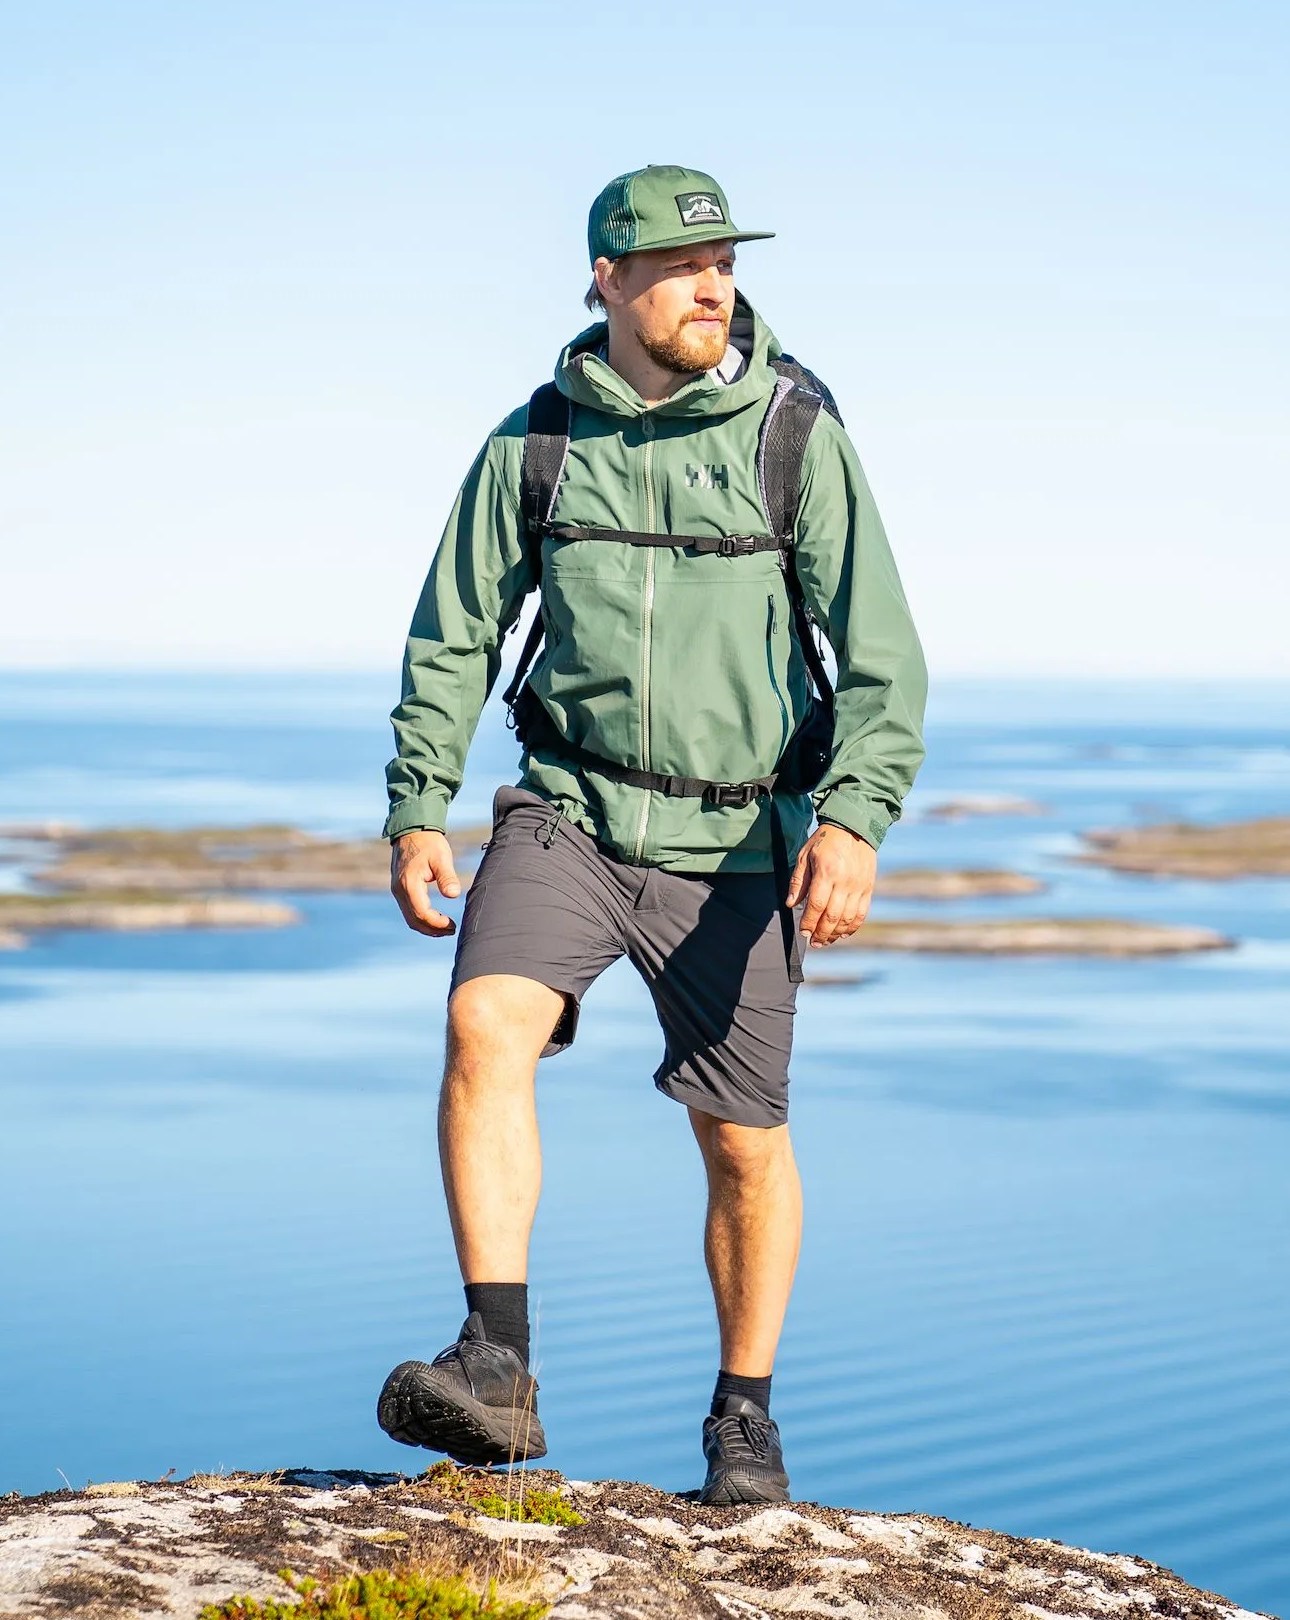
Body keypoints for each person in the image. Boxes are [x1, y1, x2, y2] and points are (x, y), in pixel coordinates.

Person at [376, 164, 928, 1505]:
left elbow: (882, 662)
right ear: (608, 281)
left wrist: (851, 818)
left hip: (741, 843)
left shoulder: (792, 435)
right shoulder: (535, 442)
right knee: (482, 1027)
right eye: (681, 266)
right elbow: (454, 636)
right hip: (565, 809)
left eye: (723, 262)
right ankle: (497, 1362)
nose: (711, 286)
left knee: (741, 1144)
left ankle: (743, 1420)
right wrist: (417, 806)